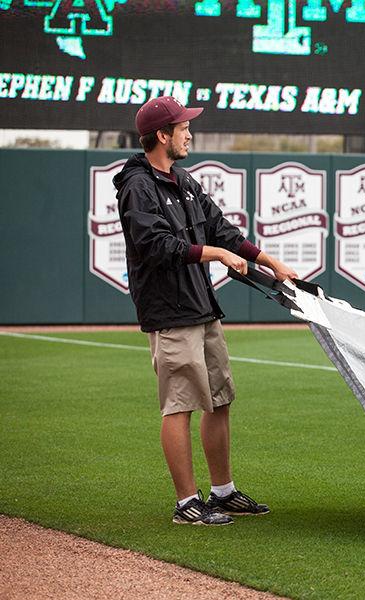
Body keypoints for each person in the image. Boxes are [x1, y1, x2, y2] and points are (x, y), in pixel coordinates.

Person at [114, 96, 298, 525]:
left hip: (201, 305)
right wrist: (215, 254)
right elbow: (156, 246)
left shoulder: (184, 181)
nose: (189, 132)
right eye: (182, 127)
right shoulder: (138, 186)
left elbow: (222, 229)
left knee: (219, 400)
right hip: (169, 310)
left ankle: (222, 492)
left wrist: (269, 261)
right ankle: (185, 504)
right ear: (162, 136)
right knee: (179, 405)